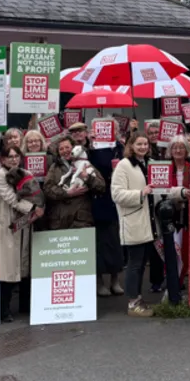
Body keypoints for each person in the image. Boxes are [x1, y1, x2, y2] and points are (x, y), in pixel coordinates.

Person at [73, 122, 126, 298]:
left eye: (113, 130)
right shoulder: (91, 149)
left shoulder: (120, 148)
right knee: (99, 242)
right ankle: (99, 281)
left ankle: (115, 279)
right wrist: (91, 142)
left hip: (116, 197)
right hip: (97, 197)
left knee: (115, 241)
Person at [0, 145, 42, 322]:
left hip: (26, 222)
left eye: (16, 156)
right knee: (8, 267)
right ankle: (3, 309)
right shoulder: (0, 175)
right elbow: (11, 198)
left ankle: (25, 305)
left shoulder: (26, 172)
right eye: (10, 156)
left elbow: (34, 193)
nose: (13, 159)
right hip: (9, 223)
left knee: (24, 264)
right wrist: (34, 208)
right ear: (3, 159)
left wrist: (38, 205)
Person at [111, 133, 157, 317]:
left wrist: (182, 192)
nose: (143, 147)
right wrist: (141, 193)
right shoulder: (124, 165)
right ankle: (132, 303)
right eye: (139, 144)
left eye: (145, 144)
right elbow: (117, 195)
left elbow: (161, 187)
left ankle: (138, 299)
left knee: (141, 262)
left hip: (149, 222)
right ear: (131, 145)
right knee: (135, 264)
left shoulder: (151, 163)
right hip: (134, 221)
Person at [154, 135, 190, 304]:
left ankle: (179, 285)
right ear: (170, 151)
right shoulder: (164, 168)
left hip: (187, 215)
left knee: (185, 253)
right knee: (170, 251)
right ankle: (171, 287)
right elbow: (160, 189)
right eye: (175, 148)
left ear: (187, 149)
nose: (178, 151)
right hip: (168, 216)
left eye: (181, 147)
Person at [43, 135, 107, 230]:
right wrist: (67, 193)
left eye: (67, 147)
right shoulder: (54, 167)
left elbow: (101, 187)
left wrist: (87, 177)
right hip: (59, 221)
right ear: (58, 152)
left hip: (81, 219)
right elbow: (47, 189)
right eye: (61, 149)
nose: (65, 151)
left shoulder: (85, 164)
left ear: (73, 148)